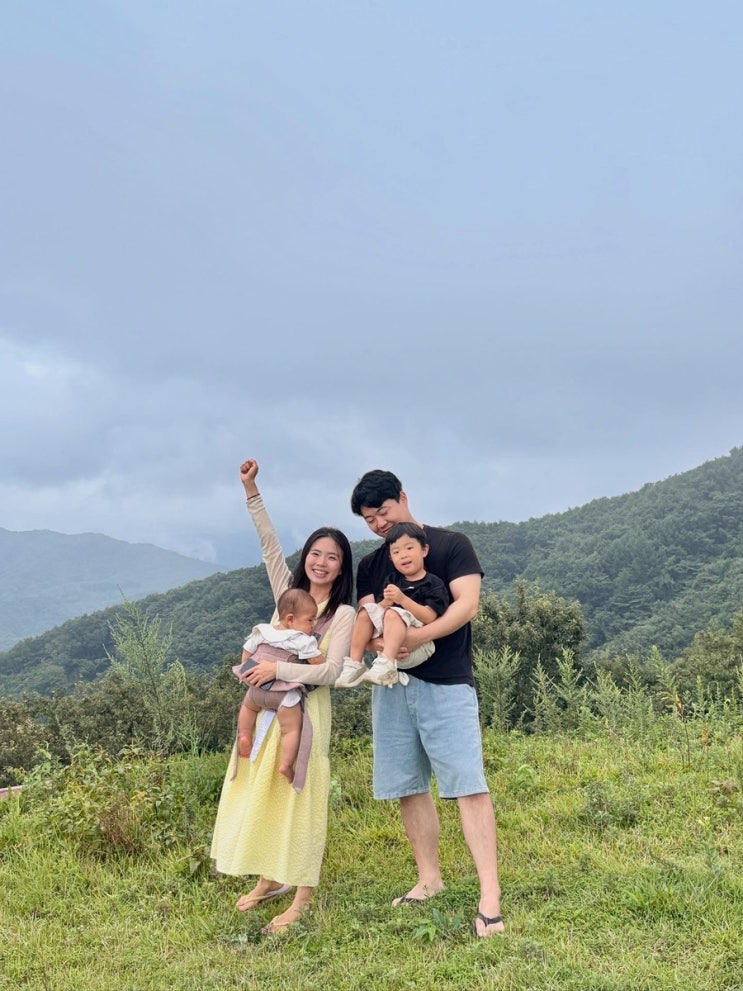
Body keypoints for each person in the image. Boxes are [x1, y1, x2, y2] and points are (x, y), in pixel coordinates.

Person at [350, 469, 505, 938]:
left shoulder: (451, 544)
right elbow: (368, 616)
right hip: (392, 685)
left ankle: (490, 897)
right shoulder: (371, 564)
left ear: (403, 497)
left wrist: (416, 637)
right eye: (369, 519)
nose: (378, 524)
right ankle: (429, 879)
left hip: (447, 683)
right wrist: (381, 647)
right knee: (409, 785)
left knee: (468, 785)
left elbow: (466, 606)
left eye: (383, 512)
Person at [211, 459, 355, 934]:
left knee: (301, 797)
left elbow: (331, 671)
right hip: (264, 710)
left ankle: (302, 897)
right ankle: (271, 879)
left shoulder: (343, 614)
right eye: (315, 553)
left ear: (342, 566)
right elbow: (269, 546)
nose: (321, 562)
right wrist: (252, 491)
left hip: (306, 713)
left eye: (332, 557)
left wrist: (277, 669)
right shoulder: (288, 596)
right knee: (264, 790)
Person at [334, 522, 449, 688]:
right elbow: (379, 611)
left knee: (394, 613)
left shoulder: (433, 583)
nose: (403, 555)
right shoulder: (392, 580)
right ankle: (355, 663)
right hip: (389, 645)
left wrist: (402, 600)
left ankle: (387, 664)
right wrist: (384, 603)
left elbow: (429, 617)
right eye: (396, 552)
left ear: (424, 550)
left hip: (418, 647)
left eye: (409, 548)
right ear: (391, 558)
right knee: (366, 610)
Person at [234, 587, 323, 785]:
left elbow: (246, 654)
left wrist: (248, 672)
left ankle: (244, 735)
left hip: (258, 689)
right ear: (291, 619)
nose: (313, 625)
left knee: (248, 707)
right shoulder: (303, 640)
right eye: (310, 620)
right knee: (291, 729)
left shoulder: (262, 631)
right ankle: (287, 764)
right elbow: (320, 665)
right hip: (284, 694)